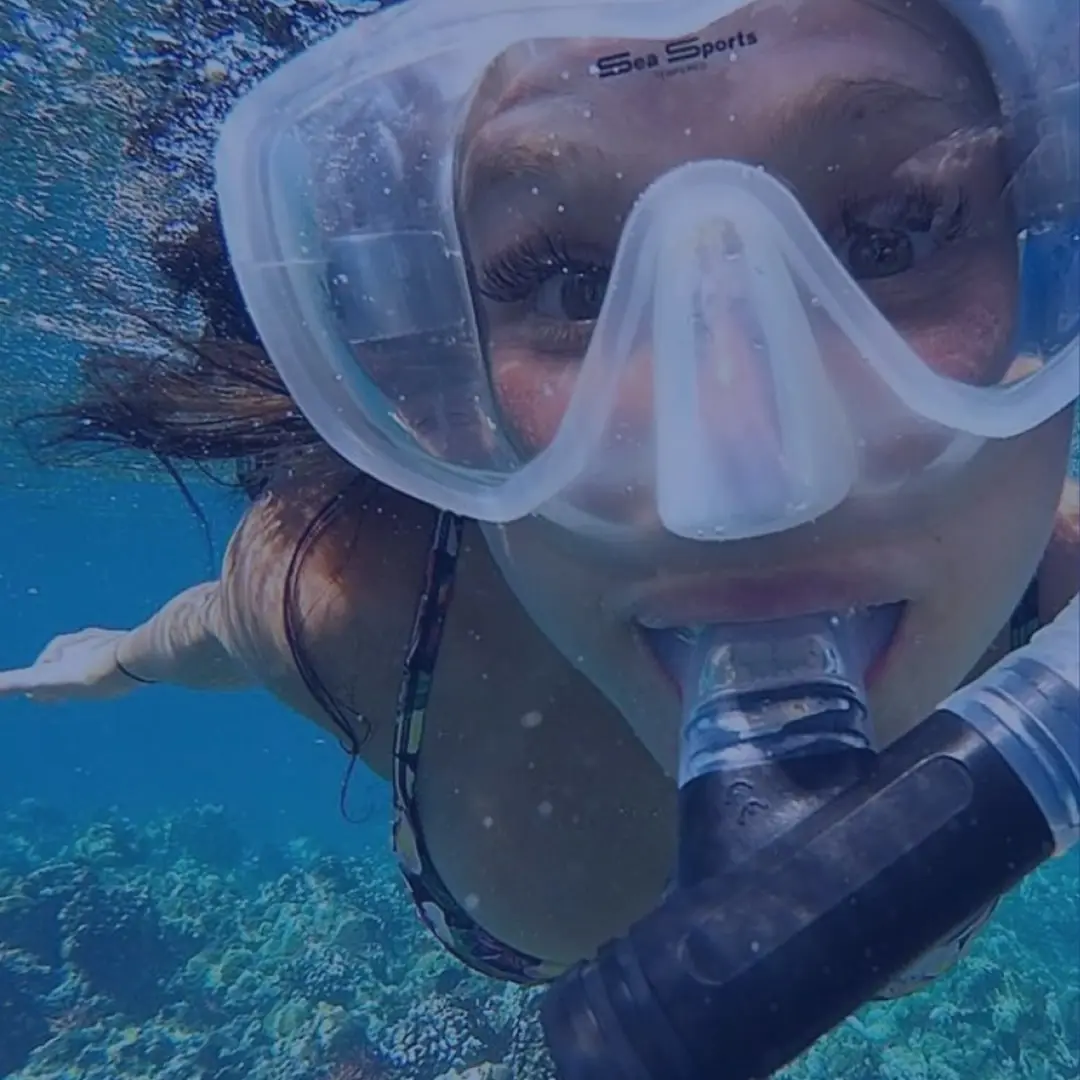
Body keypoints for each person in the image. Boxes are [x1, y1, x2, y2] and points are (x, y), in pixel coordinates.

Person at [2, 0, 1078, 1002]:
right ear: (443, 363)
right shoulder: (354, 602)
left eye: (893, 234)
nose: (749, 491)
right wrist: (118, 661)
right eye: (571, 282)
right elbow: (215, 630)